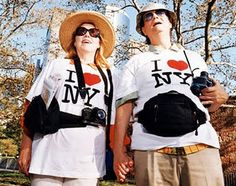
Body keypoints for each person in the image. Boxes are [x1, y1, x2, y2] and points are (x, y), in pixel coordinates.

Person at [113, 2, 228, 186]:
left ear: (171, 22)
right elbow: (124, 106)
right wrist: (119, 151)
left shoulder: (194, 58)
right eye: (148, 16)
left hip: (201, 147)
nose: (155, 17)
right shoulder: (135, 62)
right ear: (143, 29)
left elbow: (209, 103)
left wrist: (222, 97)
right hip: (152, 151)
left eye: (160, 13)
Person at [18, 10, 116, 186]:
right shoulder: (57, 66)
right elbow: (32, 108)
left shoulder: (112, 75)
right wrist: (26, 147)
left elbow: (116, 120)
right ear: (75, 40)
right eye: (81, 32)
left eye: (93, 33)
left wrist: (121, 153)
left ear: (100, 42)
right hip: (48, 153)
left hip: (88, 160)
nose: (87, 35)